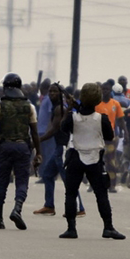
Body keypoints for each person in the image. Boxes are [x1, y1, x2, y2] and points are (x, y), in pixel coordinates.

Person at [59, 83, 125, 240]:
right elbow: (109, 136)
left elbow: (63, 128)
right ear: (98, 99)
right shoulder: (101, 118)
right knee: (101, 194)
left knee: (71, 193)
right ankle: (108, 227)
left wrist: (70, 109)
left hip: (75, 157)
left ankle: (71, 229)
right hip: (95, 159)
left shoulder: (72, 117)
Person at [0, 73, 42, 230]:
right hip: (23, 148)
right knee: (22, 181)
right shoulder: (29, 106)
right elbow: (34, 132)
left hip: (5, 148)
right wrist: (38, 153)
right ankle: (17, 209)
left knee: (2, 182)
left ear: (5, 88)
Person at [33, 83, 85, 216]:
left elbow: (55, 129)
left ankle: (79, 208)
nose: (51, 94)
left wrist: (39, 140)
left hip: (63, 147)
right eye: (50, 91)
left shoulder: (60, 109)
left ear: (60, 94)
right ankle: (49, 206)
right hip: (58, 147)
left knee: (68, 179)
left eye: (54, 92)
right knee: (48, 175)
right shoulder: (59, 107)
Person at [95, 82, 128, 193]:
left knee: (111, 162)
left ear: (111, 91)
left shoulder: (115, 104)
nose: (105, 91)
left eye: (107, 89)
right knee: (97, 161)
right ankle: (95, 184)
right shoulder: (97, 104)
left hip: (111, 138)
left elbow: (121, 120)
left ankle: (112, 185)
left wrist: (126, 133)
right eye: (103, 89)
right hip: (98, 137)